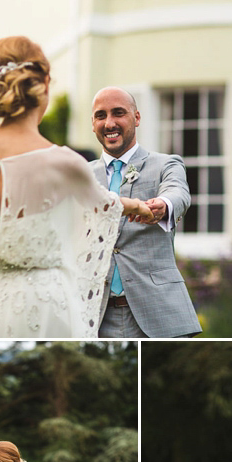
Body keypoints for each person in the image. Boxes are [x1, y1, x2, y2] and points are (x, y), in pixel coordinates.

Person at [0, 36, 152, 339]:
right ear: (44, 83)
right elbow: (104, 206)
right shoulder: (62, 161)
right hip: (40, 311)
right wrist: (137, 205)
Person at [90, 86, 202, 338]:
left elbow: (178, 193)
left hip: (159, 312)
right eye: (101, 115)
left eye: (118, 113)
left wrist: (163, 205)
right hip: (95, 318)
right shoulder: (80, 175)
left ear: (137, 117)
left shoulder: (166, 163)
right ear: (93, 123)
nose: (109, 123)